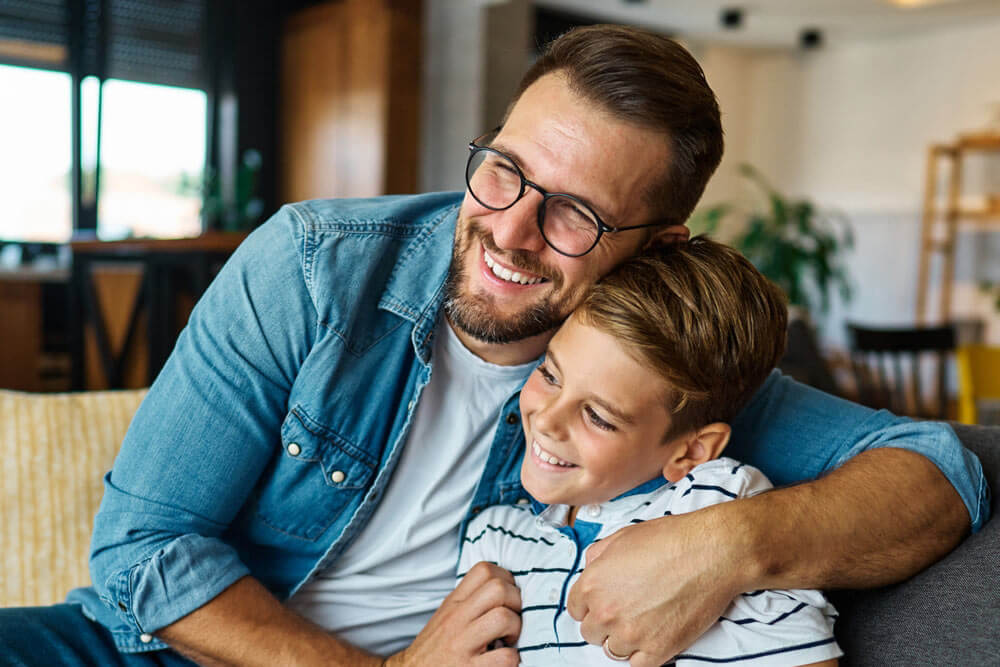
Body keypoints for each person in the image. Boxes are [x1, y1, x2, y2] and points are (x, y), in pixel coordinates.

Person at [0, 24, 987, 667]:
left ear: (658, 248)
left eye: (576, 217)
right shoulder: (311, 267)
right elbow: (142, 554)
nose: (512, 231)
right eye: (504, 171)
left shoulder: (651, 369)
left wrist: (728, 543)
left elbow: (942, 469)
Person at [457, 238, 841, 666]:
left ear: (691, 451)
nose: (546, 421)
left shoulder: (711, 506)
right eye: (549, 375)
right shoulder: (493, 538)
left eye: (598, 417)